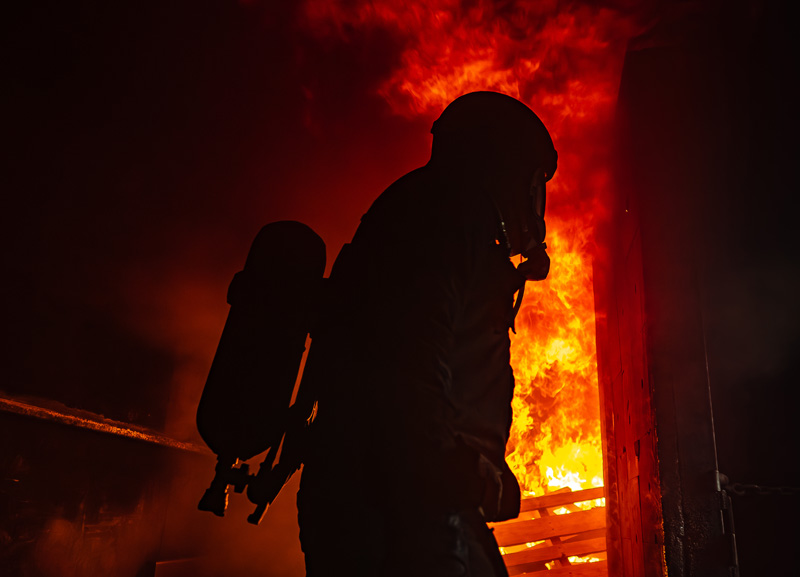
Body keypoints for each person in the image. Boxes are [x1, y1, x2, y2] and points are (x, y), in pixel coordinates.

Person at [296, 91, 558, 576]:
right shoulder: (448, 212)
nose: (535, 199)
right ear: (505, 163)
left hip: (386, 497)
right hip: (401, 506)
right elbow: (413, 348)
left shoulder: (426, 208)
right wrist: (449, 464)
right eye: (535, 180)